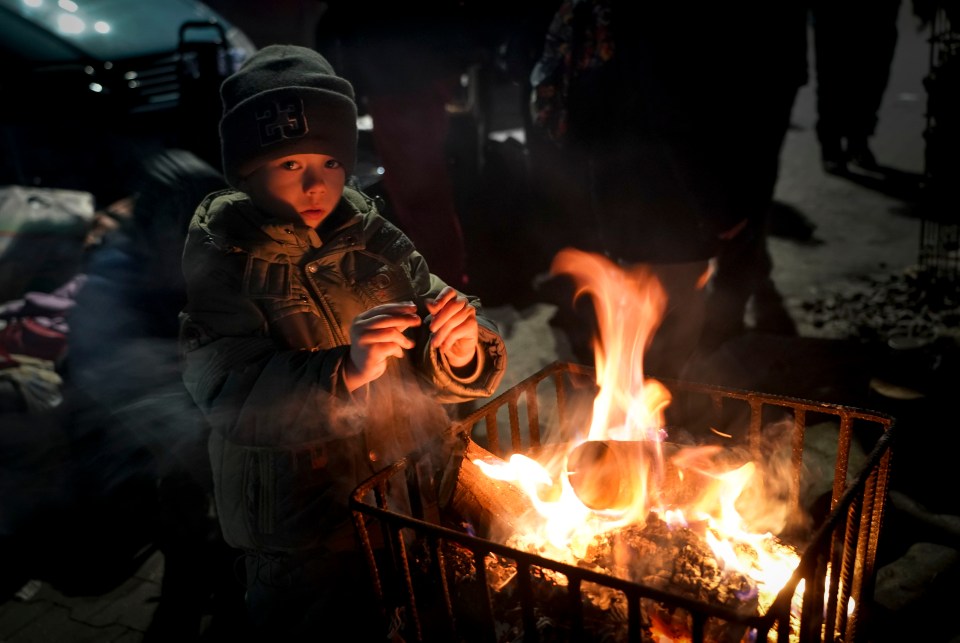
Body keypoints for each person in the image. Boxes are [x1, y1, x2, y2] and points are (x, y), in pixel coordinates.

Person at [177, 44, 507, 640]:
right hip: (304, 533)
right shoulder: (226, 260)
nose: (315, 184)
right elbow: (231, 393)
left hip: (410, 493)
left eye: (329, 163)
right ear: (246, 171)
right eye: (288, 165)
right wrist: (347, 370)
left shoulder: (373, 237)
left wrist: (460, 350)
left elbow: (440, 318)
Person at [811, 0, 902, 174]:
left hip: (879, 13)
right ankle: (832, 145)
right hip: (833, 14)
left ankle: (857, 139)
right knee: (832, 79)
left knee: (871, 79)